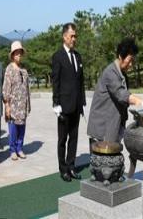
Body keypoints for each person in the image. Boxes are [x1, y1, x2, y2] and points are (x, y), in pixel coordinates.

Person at [87, 38, 143, 146]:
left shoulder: (122, 74)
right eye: (129, 61)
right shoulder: (111, 72)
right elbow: (121, 94)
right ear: (120, 56)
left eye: (133, 61)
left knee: (113, 158)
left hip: (115, 124)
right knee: (105, 161)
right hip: (103, 127)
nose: (131, 65)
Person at [51, 23, 86, 182]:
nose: (74, 39)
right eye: (72, 36)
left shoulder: (77, 56)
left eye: (75, 36)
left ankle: (71, 166)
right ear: (64, 36)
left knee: (74, 138)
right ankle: (63, 168)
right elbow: (56, 82)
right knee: (62, 139)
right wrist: (56, 104)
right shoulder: (58, 56)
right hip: (64, 106)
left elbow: (81, 81)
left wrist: (82, 102)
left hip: (76, 105)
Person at [3, 41, 31, 161]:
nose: (19, 55)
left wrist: (28, 104)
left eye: (20, 53)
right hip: (13, 105)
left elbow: (27, 88)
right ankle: (13, 149)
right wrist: (7, 105)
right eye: (17, 53)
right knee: (13, 129)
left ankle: (20, 148)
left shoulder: (24, 71)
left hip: (22, 106)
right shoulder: (9, 69)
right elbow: (6, 88)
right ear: (13, 55)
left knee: (22, 129)